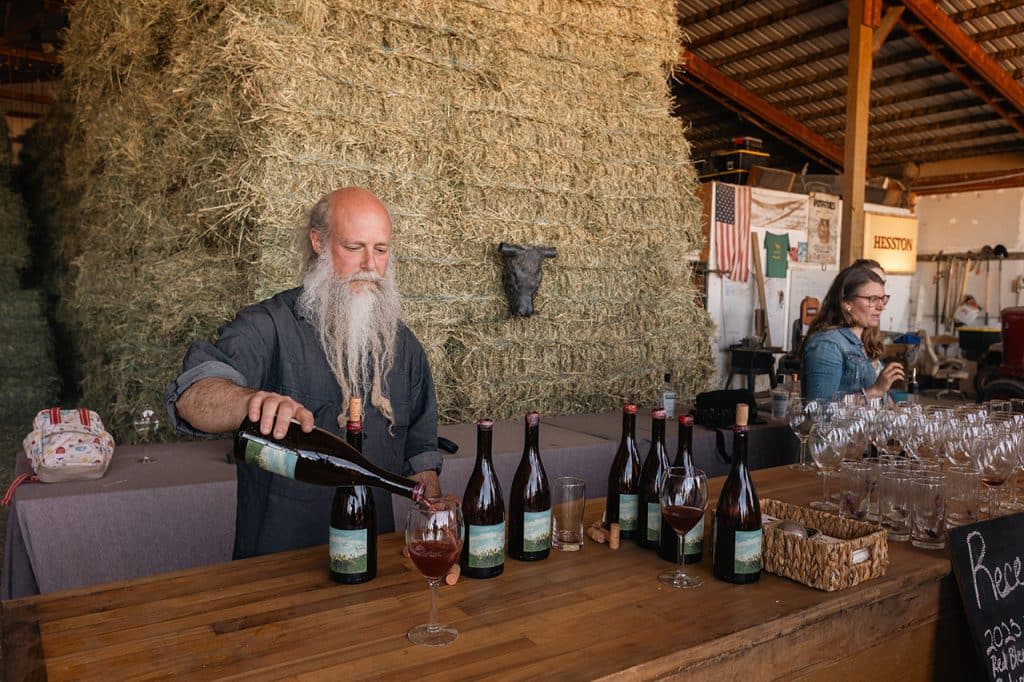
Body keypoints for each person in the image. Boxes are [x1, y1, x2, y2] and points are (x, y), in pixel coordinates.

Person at [165, 187, 445, 562]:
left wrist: (432, 502)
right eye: (353, 247)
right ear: (319, 242)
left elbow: (420, 454)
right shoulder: (268, 325)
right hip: (277, 567)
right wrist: (249, 400)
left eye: (380, 250)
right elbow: (193, 397)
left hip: (374, 561)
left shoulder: (404, 347)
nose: (369, 264)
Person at [801, 262, 904, 401]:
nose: (881, 306)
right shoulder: (827, 345)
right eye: (872, 299)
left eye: (882, 299)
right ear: (847, 303)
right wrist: (874, 391)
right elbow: (819, 409)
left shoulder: (860, 342)